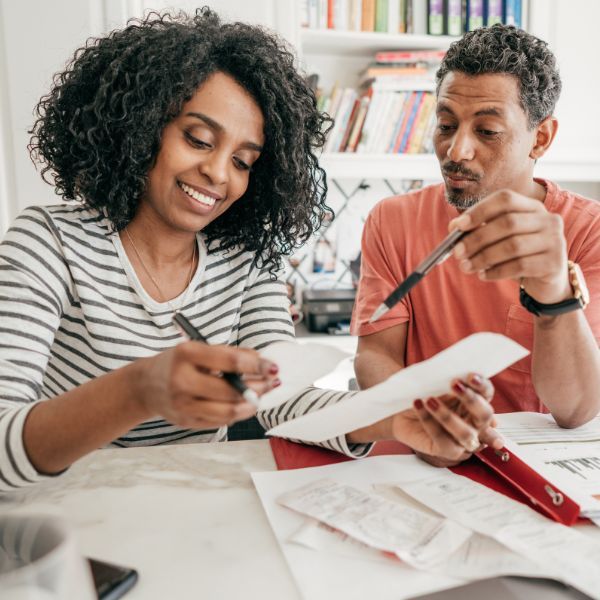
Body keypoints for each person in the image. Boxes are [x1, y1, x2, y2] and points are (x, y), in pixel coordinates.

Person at [0, 9, 497, 493]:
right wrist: (139, 389)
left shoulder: (246, 261)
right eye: (198, 139)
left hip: (195, 511)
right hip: (65, 519)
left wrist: (392, 417)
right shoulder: (49, 244)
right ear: (141, 127)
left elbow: (281, 401)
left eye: (242, 161)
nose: (219, 173)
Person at [351, 24, 600, 467]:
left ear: (540, 138)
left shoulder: (587, 232)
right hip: (421, 456)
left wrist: (552, 287)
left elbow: (576, 410)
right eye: (446, 125)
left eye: (487, 131)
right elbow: (375, 355)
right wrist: (423, 416)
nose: (456, 150)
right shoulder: (392, 220)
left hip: (532, 466)